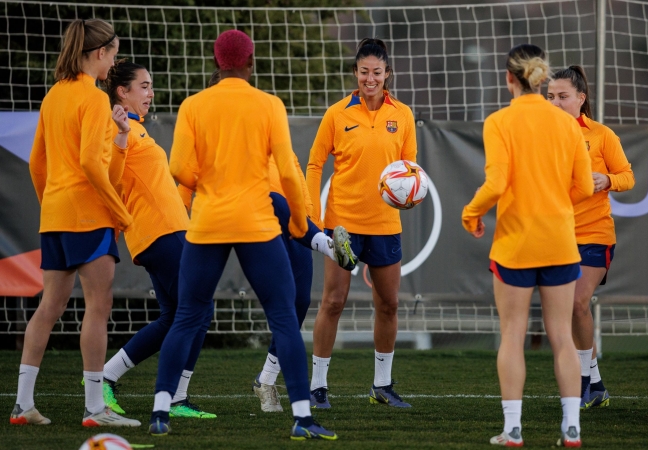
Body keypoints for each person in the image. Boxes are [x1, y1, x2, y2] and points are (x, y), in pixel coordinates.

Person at [148, 30, 336, 440]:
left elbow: (178, 167)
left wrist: (209, 183)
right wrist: (301, 225)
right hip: (257, 223)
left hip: (208, 222)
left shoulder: (194, 105)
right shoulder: (268, 104)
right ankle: (303, 418)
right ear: (251, 62)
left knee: (185, 316)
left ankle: (161, 409)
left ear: (216, 63)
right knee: (284, 317)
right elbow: (287, 170)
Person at [11, 18, 140, 428]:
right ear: (99, 53)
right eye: (113, 55)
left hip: (57, 215)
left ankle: (22, 405)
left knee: (48, 308)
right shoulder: (92, 97)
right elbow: (88, 162)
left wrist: (53, 201)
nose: (113, 63)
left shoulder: (53, 95)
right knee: (98, 309)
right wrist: (118, 212)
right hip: (89, 215)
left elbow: (37, 164)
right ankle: (94, 409)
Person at [463, 44, 593, 447]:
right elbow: (586, 187)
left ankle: (513, 429)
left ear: (509, 78)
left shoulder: (499, 121)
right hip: (559, 241)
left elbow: (496, 184)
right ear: (541, 78)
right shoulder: (568, 124)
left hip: (516, 244)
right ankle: (572, 427)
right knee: (562, 337)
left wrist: (471, 211)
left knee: (513, 334)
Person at [87, 60, 215, 419]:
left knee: (175, 315)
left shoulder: (136, 128)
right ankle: (173, 398)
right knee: (200, 309)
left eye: (151, 85)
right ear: (121, 92)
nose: (150, 92)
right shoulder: (118, 129)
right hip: (160, 233)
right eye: (143, 86)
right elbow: (109, 180)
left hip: (167, 232)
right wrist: (121, 136)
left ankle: (110, 377)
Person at [306, 38, 416, 409]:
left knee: (389, 304)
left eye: (377, 72)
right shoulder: (337, 114)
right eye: (364, 72)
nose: (371, 78)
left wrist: (412, 192)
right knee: (333, 302)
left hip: (386, 225)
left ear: (387, 74)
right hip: (343, 224)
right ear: (355, 73)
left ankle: (382, 386)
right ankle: (317, 386)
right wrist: (315, 219)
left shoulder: (402, 114)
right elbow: (314, 163)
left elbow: (410, 170)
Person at [547, 65, 635, 410]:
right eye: (550, 96)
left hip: (595, 232)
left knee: (577, 302)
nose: (555, 102)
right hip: (556, 234)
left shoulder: (601, 135)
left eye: (563, 96)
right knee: (566, 310)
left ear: (581, 99)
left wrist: (608, 180)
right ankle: (595, 382)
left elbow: (628, 175)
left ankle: (583, 381)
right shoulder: (542, 133)